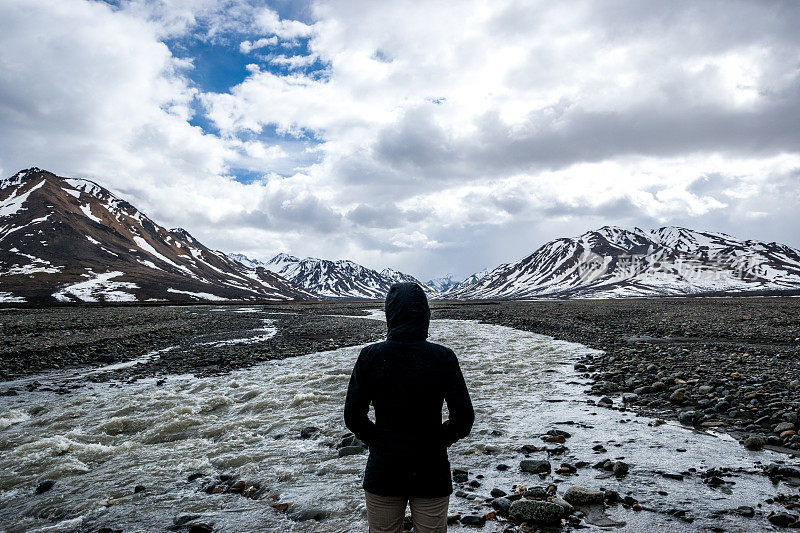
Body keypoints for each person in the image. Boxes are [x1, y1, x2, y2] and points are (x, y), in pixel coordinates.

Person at [344, 282, 474, 533]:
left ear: (389, 315)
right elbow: (464, 418)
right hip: (431, 467)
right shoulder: (442, 357)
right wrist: (438, 440)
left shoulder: (370, 356)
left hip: (384, 468)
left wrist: (379, 440)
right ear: (425, 315)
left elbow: (353, 416)